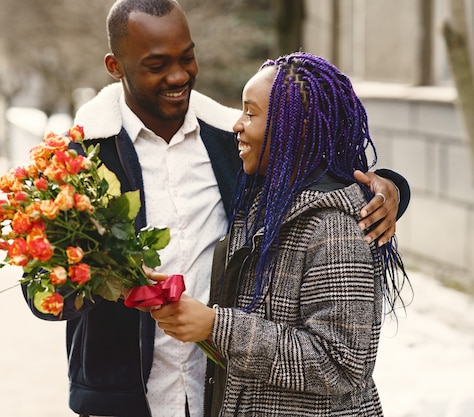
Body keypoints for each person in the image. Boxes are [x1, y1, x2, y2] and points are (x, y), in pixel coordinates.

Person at [22, 2, 409, 416]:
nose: (178, 75)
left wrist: (389, 187)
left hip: (222, 390)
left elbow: (313, 164)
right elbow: (40, 290)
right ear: (116, 66)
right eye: (157, 64)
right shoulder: (78, 160)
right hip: (123, 401)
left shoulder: (231, 141)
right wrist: (91, 279)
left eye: (187, 57)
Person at [150, 52, 411, 417]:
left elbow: (342, 364)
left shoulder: (334, 228)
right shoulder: (264, 200)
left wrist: (216, 325)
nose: (237, 125)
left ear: (294, 128)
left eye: (251, 113)